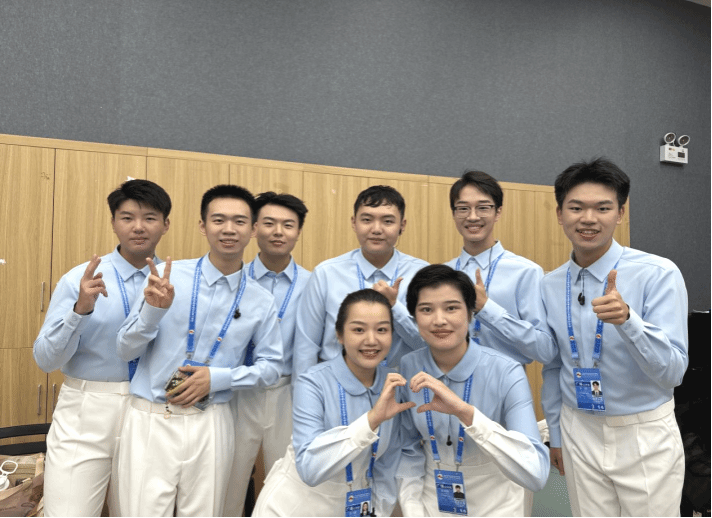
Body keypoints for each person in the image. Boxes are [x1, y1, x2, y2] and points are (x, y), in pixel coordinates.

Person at [116, 184, 283, 516]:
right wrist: (152, 312)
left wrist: (218, 379)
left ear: (252, 230)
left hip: (212, 421)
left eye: (239, 221)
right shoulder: (166, 279)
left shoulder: (261, 299)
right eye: (218, 220)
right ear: (203, 226)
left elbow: (271, 368)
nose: (228, 229)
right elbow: (124, 349)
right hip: (152, 418)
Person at [541, 158, 688, 517]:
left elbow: (673, 372)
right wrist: (556, 434)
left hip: (643, 433)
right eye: (576, 207)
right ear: (560, 214)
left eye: (603, 208)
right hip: (578, 429)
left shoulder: (658, 273)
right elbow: (554, 366)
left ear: (620, 213)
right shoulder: (549, 284)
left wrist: (628, 321)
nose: (588, 219)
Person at [33, 179, 171, 517]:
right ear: (113, 223)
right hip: (87, 409)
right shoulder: (81, 280)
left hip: (150, 410)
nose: (138, 227)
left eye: (150, 218)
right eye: (127, 217)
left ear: (166, 224)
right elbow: (46, 360)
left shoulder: (175, 283)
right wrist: (80, 310)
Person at [397, 264, 549, 517]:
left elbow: (536, 473)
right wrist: (412, 508)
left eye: (451, 308)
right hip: (431, 504)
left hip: (497, 506)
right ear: (414, 317)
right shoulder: (409, 366)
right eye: (426, 310)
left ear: (470, 314)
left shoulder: (506, 371)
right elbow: (409, 450)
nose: (439, 320)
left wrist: (466, 413)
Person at [253, 289, 416, 516]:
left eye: (382, 330)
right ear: (339, 334)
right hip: (294, 506)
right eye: (358, 330)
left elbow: (387, 467)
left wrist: (377, 512)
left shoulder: (393, 384)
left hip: (352, 507)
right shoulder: (313, 382)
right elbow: (309, 470)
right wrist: (371, 420)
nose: (371, 340)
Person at [223, 192, 311, 517]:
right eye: (269, 223)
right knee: (227, 485)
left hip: (287, 393)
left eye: (288, 225)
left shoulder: (313, 284)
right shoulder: (234, 279)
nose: (278, 232)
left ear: (298, 231)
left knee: (287, 487)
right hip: (236, 392)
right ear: (254, 228)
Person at [293, 185, 428, 378]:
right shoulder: (326, 274)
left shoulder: (422, 275)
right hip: (337, 385)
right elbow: (306, 346)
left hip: (401, 385)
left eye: (388, 221)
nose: (376, 229)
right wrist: (305, 393)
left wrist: (394, 307)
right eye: (367, 220)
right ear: (354, 222)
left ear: (402, 225)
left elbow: (427, 344)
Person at [445, 170, 556, 365]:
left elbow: (545, 350)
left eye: (483, 208)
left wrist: (486, 308)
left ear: (498, 212)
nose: (472, 217)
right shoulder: (444, 274)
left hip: (506, 381)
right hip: (449, 379)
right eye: (463, 208)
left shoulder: (525, 272)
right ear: (454, 214)